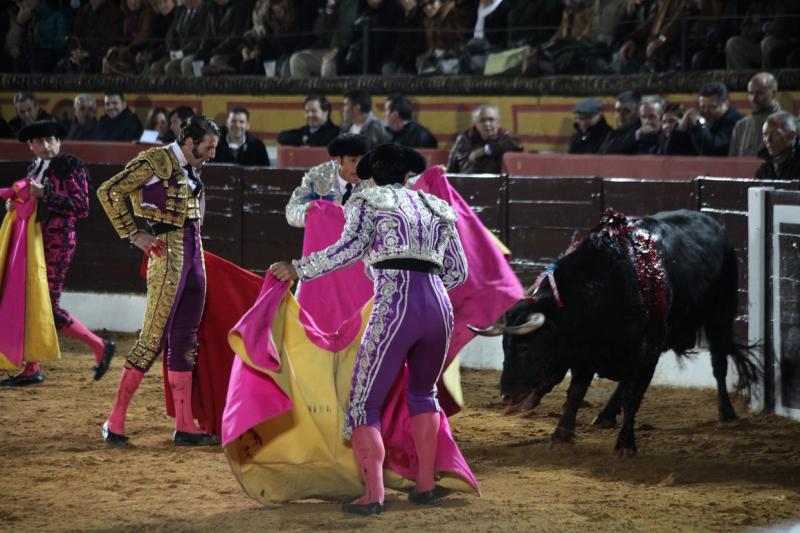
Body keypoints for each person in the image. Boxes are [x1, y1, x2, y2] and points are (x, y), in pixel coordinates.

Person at [270, 142, 468, 515]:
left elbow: (348, 249)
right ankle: (425, 485)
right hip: (439, 308)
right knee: (424, 394)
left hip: (395, 305)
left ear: (373, 175)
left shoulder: (367, 202)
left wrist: (301, 267)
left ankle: (373, 495)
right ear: (407, 175)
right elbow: (458, 272)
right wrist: (427, 286)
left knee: (364, 402)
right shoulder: (436, 207)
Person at [96, 115, 221, 447]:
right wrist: (132, 233)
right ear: (189, 141)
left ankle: (184, 425)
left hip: (196, 256)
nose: (211, 155)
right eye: (208, 147)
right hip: (167, 257)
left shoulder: (193, 168)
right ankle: (115, 420)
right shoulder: (155, 160)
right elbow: (108, 191)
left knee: (185, 341)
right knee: (152, 339)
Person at [1, 119, 116, 386]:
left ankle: (100, 345)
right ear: (31, 146)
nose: (47, 145)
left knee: (48, 307)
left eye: (51, 139)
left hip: (57, 242)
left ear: (59, 142)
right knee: (31, 300)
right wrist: (14, 201)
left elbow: (82, 206)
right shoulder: (35, 167)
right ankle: (32, 367)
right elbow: (28, 200)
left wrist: (47, 195)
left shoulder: (70, 166)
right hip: (34, 240)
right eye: (40, 141)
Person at [285, 133, 368, 228]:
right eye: (353, 160)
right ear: (338, 160)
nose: (360, 167)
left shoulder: (372, 180)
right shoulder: (318, 176)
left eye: (363, 161)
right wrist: (305, 212)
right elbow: (291, 210)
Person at [668, 82, 742, 157]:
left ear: (726, 104)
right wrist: (681, 126)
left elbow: (710, 150)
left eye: (712, 107)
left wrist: (699, 122)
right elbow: (670, 151)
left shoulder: (734, 122)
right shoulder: (700, 119)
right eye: (702, 107)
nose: (706, 112)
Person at [446, 104, 522, 174]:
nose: (487, 124)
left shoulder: (505, 137)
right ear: (475, 124)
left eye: (491, 119)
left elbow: (517, 145)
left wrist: (486, 150)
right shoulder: (464, 139)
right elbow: (451, 169)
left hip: (496, 185)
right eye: (482, 120)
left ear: (498, 122)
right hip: (467, 184)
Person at [730, 72, 781, 157]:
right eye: (751, 93)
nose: (753, 98)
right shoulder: (741, 126)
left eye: (759, 93)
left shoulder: (787, 123)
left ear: (774, 93)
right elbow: (732, 163)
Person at [754, 112, 800, 181]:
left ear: (791, 135)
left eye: (775, 134)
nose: (768, 140)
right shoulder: (766, 167)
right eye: (765, 134)